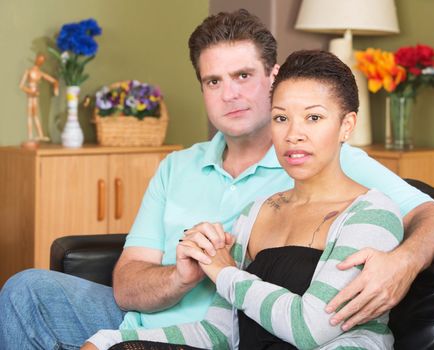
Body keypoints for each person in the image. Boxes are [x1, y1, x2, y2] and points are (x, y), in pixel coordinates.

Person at [0, 9, 434, 350]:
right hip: (168, 322)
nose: (231, 94)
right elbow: (128, 284)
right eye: (213, 81)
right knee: (26, 290)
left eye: (243, 75)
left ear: (273, 77)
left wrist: (401, 264)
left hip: (258, 325)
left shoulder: (323, 158)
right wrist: (182, 276)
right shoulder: (181, 169)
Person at [83, 49, 404, 350]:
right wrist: (110, 340)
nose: (294, 134)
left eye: (314, 118)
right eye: (281, 118)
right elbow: (222, 332)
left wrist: (224, 273)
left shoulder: (372, 214)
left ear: (346, 125)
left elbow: (313, 327)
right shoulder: (257, 213)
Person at [19, 53, 59, 143]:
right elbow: (21, 86)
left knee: (35, 114)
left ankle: (40, 135)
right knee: (29, 114)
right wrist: (30, 91)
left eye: (42, 61)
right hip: (31, 94)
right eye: (39, 59)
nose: (40, 62)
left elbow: (53, 80)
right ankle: (30, 135)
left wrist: (56, 87)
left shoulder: (40, 73)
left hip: (35, 95)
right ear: (36, 59)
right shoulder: (28, 71)